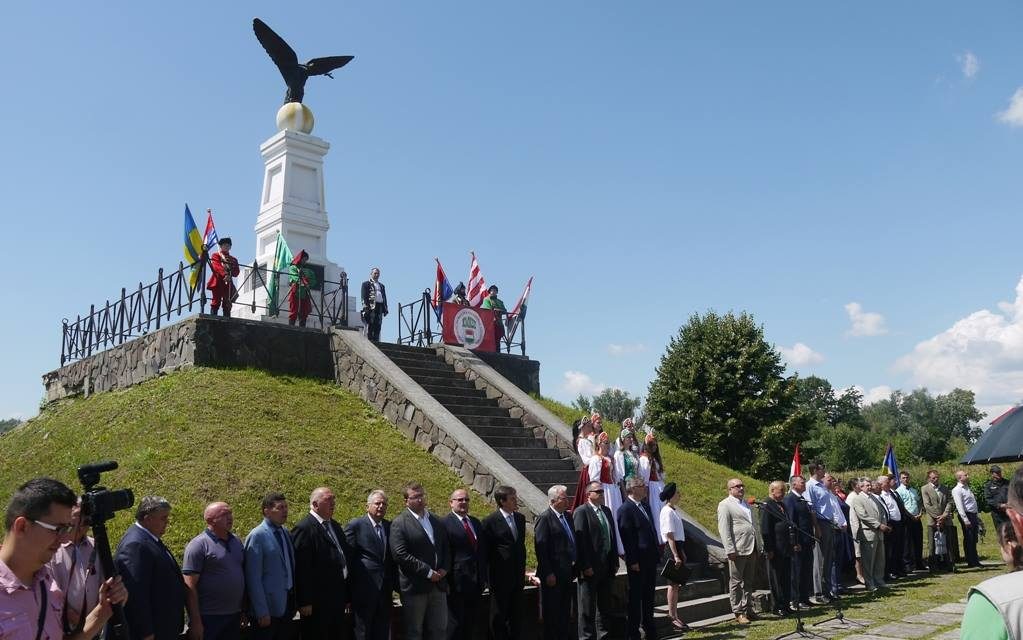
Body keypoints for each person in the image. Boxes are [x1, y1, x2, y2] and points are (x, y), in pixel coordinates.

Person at [1, 478, 127, 640]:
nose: (64, 539)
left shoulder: (44, 581)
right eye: (58, 529)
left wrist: (103, 610)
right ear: (22, 527)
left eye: (66, 528)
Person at [960, 466, 1023, 639]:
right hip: (999, 515)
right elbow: (989, 501)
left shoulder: (995, 601)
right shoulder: (989, 486)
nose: (998, 475)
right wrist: (1001, 506)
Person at [115, 495, 186, 640]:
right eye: (163, 518)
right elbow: (135, 595)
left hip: (164, 629)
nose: (167, 522)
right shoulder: (135, 545)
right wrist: (145, 633)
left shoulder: (149, 539)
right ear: (148, 519)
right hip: (154, 632)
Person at [390, 482, 451, 640]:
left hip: (438, 585)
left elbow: (445, 547)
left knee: (440, 629)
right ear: (406, 501)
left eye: (421, 496)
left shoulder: (436, 520)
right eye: (415, 497)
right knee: (414, 632)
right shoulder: (399, 523)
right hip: (415, 587)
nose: (419, 500)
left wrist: (445, 568)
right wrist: (428, 572)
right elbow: (400, 555)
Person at [290, 487, 351, 640]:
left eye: (334, 500)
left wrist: (347, 595)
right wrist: (304, 601)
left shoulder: (335, 526)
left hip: (336, 598)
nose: (333, 503)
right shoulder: (304, 528)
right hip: (316, 603)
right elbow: (302, 568)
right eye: (329, 500)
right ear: (316, 505)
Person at [182, 502, 244, 640]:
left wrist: (243, 609)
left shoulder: (236, 542)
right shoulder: (198, 545)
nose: (230, 517)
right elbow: (189, 586)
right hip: (209, 618)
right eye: (224, 514)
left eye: (230, 513)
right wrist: (196, 621)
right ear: (210, 520)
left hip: (234, 615)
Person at [48, 499, 105, 637]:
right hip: (67, 631)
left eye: (86, 518)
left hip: (97, 627)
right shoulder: (52, 549)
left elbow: (105, 582)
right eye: (79, 515)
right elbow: (50, 595)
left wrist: (97, 619)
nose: (82, 522)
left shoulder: (96, 546)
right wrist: (83, 623)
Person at [344, 490, 396, 640]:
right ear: (367, 506)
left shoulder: (389, 526)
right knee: (362, 632)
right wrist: (347, 593)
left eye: (384, 504)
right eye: (377, 503)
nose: (381, 506)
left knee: (381, 630)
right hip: (363, 591)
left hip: (385, 591)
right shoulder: (356, 525)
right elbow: (348, 560)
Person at [243, 492, 295, 640]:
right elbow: (253, 577)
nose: (285, 511)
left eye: (286, 507)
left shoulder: (285, 532)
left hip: (286, 607)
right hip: (267, 612)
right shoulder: (257, 536)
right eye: (280, 508)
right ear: (267, 511)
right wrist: (261, 611)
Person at [479, 486, 526, 640]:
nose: (516, 501)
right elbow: (484, 552)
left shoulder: (520, 518)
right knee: (498, 617)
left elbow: (520, 545)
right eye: (512, 498)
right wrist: (486, 578)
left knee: (516, 617)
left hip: (517, 577)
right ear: (502, 501)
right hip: (500, 579)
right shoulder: (490, 522)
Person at [574, 481, 619, 640]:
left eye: (602, 491)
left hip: (606, 566)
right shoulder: (581, 512)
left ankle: (603, 636)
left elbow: (611, 536)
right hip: (590, 568)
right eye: (597, 491)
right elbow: (580, 541)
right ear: (588, 494)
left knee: (604, 606)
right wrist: (585, 565)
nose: (601, 494)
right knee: (587, 607)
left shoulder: (606, 511)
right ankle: (586, 637)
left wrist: (614, 561)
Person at [617, 478, 660, 640]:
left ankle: (650, 629)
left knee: (649, 596)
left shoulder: (645, 506)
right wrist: (632, 560)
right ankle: (633, 633)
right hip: (638, 562)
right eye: (642, 486)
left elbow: (650, 531)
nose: (645, 489)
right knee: (636, 599)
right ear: (633, 489)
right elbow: (627, 538)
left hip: (650, 559)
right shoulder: (625, 509)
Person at [533, 485, 577, 640]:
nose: (567, 501)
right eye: (564, 498)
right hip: (553, 574)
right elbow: (541, 548)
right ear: (553, 501)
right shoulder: (545, 518)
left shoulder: (568, 516)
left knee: (565, 611)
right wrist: (548, 572)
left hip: (567, 572)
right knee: (553, 612)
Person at [442, 489, 486, 640]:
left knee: (470, 624)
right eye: (460, 500)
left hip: (476, 582)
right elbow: (445, 554)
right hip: (456, 583)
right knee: (455, 626)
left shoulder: (475, 522)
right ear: (451, 503)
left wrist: (483, 577)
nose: (464, 503)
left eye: (466, 500)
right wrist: (446, 581)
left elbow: (481, 551)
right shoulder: (444, 524)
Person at [717, 478, 758, 624]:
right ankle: (738, 611)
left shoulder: (747, 504)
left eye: (742, 485)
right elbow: (724, 529)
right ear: (730, 489)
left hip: (752, 547)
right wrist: (729, 549)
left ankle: (748, 608)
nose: (741, 488)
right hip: (738, 548)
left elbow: (754, 525)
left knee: (749, 580)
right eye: (737, 486)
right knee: (736, 582)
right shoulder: (725, 505)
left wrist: (759, 544)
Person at [658, 482, 690, 632]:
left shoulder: (673, 510)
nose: (679, 495)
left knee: (676, 585)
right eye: (677, 493)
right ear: (671, 495)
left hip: (678, 547)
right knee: (672, 584)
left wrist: (681, 551)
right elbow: (670, 535)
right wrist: (676, 555)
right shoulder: (667, 511)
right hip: (672, 549)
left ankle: (675, 615)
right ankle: (672, 616)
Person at [761, 480, 795, 617]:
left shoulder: (781, 504)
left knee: (786, 578)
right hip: (775, 549)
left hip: (786, 548)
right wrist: (769, 549)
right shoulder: (767, 505)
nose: (784, 494)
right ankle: (778, 606)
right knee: (776, 579)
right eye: (781, 491)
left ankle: (786, 604)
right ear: (773, 490)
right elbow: (765, 529)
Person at [588, 434, 624, 555]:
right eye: (605, 443)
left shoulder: (611, 458)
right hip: (605, 489)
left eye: (609, 443)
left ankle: (619, 545)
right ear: (599, 444)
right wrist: (600, 494)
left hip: (613, 490)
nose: (608, 445)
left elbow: (616, 476)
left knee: (616, 515)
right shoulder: (596, 459)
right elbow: (594, 479)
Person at [784, 475, 815, 609]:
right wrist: (794, 542)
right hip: (799, 542)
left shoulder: (802, 499)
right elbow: (791, 522)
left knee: (806, 570)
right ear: (794, 484)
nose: (804, 484)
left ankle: (804, 597)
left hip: (807, 540)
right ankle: (795, 599)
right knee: (797, 571)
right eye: (802, 483)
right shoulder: (790, 499)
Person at [853, 479, 889, 591]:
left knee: (880, 559)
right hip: (868, 533)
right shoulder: (858, 499)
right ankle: (870, 583)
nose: (869, 487)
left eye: (870, 485)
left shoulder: (873, 497)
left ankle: (879, 580)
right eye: (867, 485)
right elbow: (863, 516)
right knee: (869, 560)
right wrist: (878, 525)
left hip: (879, 532)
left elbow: (882, 512)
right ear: (861, 486)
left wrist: (883, 524)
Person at [805, 463, 834, 603]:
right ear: (815, 470)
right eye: (822, 469)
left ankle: (828, 589)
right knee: (820, 559)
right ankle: (819, 592)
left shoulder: (821, 485)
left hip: (828, 523)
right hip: (820, 524)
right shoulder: (810, 486)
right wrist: (816, 526)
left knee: (828, 558)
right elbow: (811, 508)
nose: (825, 471)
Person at [921, 469, 959, 570]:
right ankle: (933, 565)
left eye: (937, 477)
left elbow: (950, 502)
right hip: (932, 520)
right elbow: (927, 505)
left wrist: (944, 515)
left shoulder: (945, 488)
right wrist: (938, 517)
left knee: (948, 542)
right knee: (932, 544)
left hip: (945, 519)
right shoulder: (925, 489)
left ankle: (950, 564)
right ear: (929, 479)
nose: (936, 479)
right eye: (933, 478)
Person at [878, 474, 908, 580]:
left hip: (899, 523)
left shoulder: (891, 493)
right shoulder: (881, 495)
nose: (889, 483)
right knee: (891, 550)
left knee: (899, 548)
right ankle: (891, 571)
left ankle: (898, 569)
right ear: (881, 485)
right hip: (891, 524)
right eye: (887, 482)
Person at [896, 471, 926, 572]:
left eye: (907, 477)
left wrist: (920, 513)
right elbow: (902, 507)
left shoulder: (913, 490)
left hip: (917, 518)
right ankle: (908, 564)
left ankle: (919, 562)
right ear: (900, 479)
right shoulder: (898, 491)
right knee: (908, 542)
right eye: (904, 478)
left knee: (918, 540)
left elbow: (919, 502)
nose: (906, 479)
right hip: (907, 519)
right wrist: (911, 516)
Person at [639, 433, 666, 541]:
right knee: (655, 512)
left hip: (659, 486)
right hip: (652, 488)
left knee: (662, 510)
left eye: (655, 445)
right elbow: (645, 479)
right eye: (652, 445)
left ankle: (664, 536)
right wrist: (646, 494)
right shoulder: (644, 459)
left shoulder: (654, 459)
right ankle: (658, 538)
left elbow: (660, 475)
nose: (654, 447)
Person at [952, 470, 982, 568]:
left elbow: (972, 502)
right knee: (969, 538)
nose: (967, 476)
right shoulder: (957, 490)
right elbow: (959, 506)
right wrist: (965, 519)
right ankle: (971, 561)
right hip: (967, 515)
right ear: (960, 477)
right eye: (965, 475)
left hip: (972, 514)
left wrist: (977, 516)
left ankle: (974, 559)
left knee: (974, 538)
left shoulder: (966, 487)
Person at [207, 237, 240, 318]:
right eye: (224, 245)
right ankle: (213, 318)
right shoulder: (216, 255)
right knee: (216, 300)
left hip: (228, 282)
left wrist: (230, 272)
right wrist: (225, 274)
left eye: (228, 245)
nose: (226, 247)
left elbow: (236, 272)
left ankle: (227, 318)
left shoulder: (233, 259)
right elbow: (216, 266)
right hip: (218, 280)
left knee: (227, 302)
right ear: (221, 246)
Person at [571, 417, 596, 510]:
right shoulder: (581, 441)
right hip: (588, 470)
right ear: (583, 427)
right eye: (589, 426)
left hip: (592, 468)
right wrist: (597, 458)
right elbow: (585, 459)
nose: (590, 428)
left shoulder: (587, 440)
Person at [287, 250, 317, 327]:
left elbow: (313, 280)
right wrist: (305, 282)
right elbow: (294, 276)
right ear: (300, 259)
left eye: (306, 260)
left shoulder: (309, 271)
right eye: (304, 259)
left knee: (304, 311)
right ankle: (291, 326)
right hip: (296, 291)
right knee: (294, 310)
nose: (305, 261)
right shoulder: (293, 268)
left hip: (305, 293)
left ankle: (302, 327)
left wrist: (308, 283)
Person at [360, 267, 388, 341]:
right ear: (371, 274)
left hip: (380, 306)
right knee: (371, 323)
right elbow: (363, 296)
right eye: (375, 273)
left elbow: (384, 297)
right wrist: (366, 307)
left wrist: (386, 308)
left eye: (378, 273)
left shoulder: (382, 286)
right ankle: (370, 340)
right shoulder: (366, 284)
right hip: (371, 307)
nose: (376, 275)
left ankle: (376, 340)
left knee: (378, 323)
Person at [985, 465, 1011, 537]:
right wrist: (999, 505)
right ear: (992, 474)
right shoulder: (989, 485)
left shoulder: (1007, 482)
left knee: (1011, 531)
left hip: (1008, 510)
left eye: (999, 472)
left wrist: (1009, 503)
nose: (999, 474)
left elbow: (1013, 493)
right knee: (1001, 532)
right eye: (997, 472)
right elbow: (988, 499)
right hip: (997, 514)